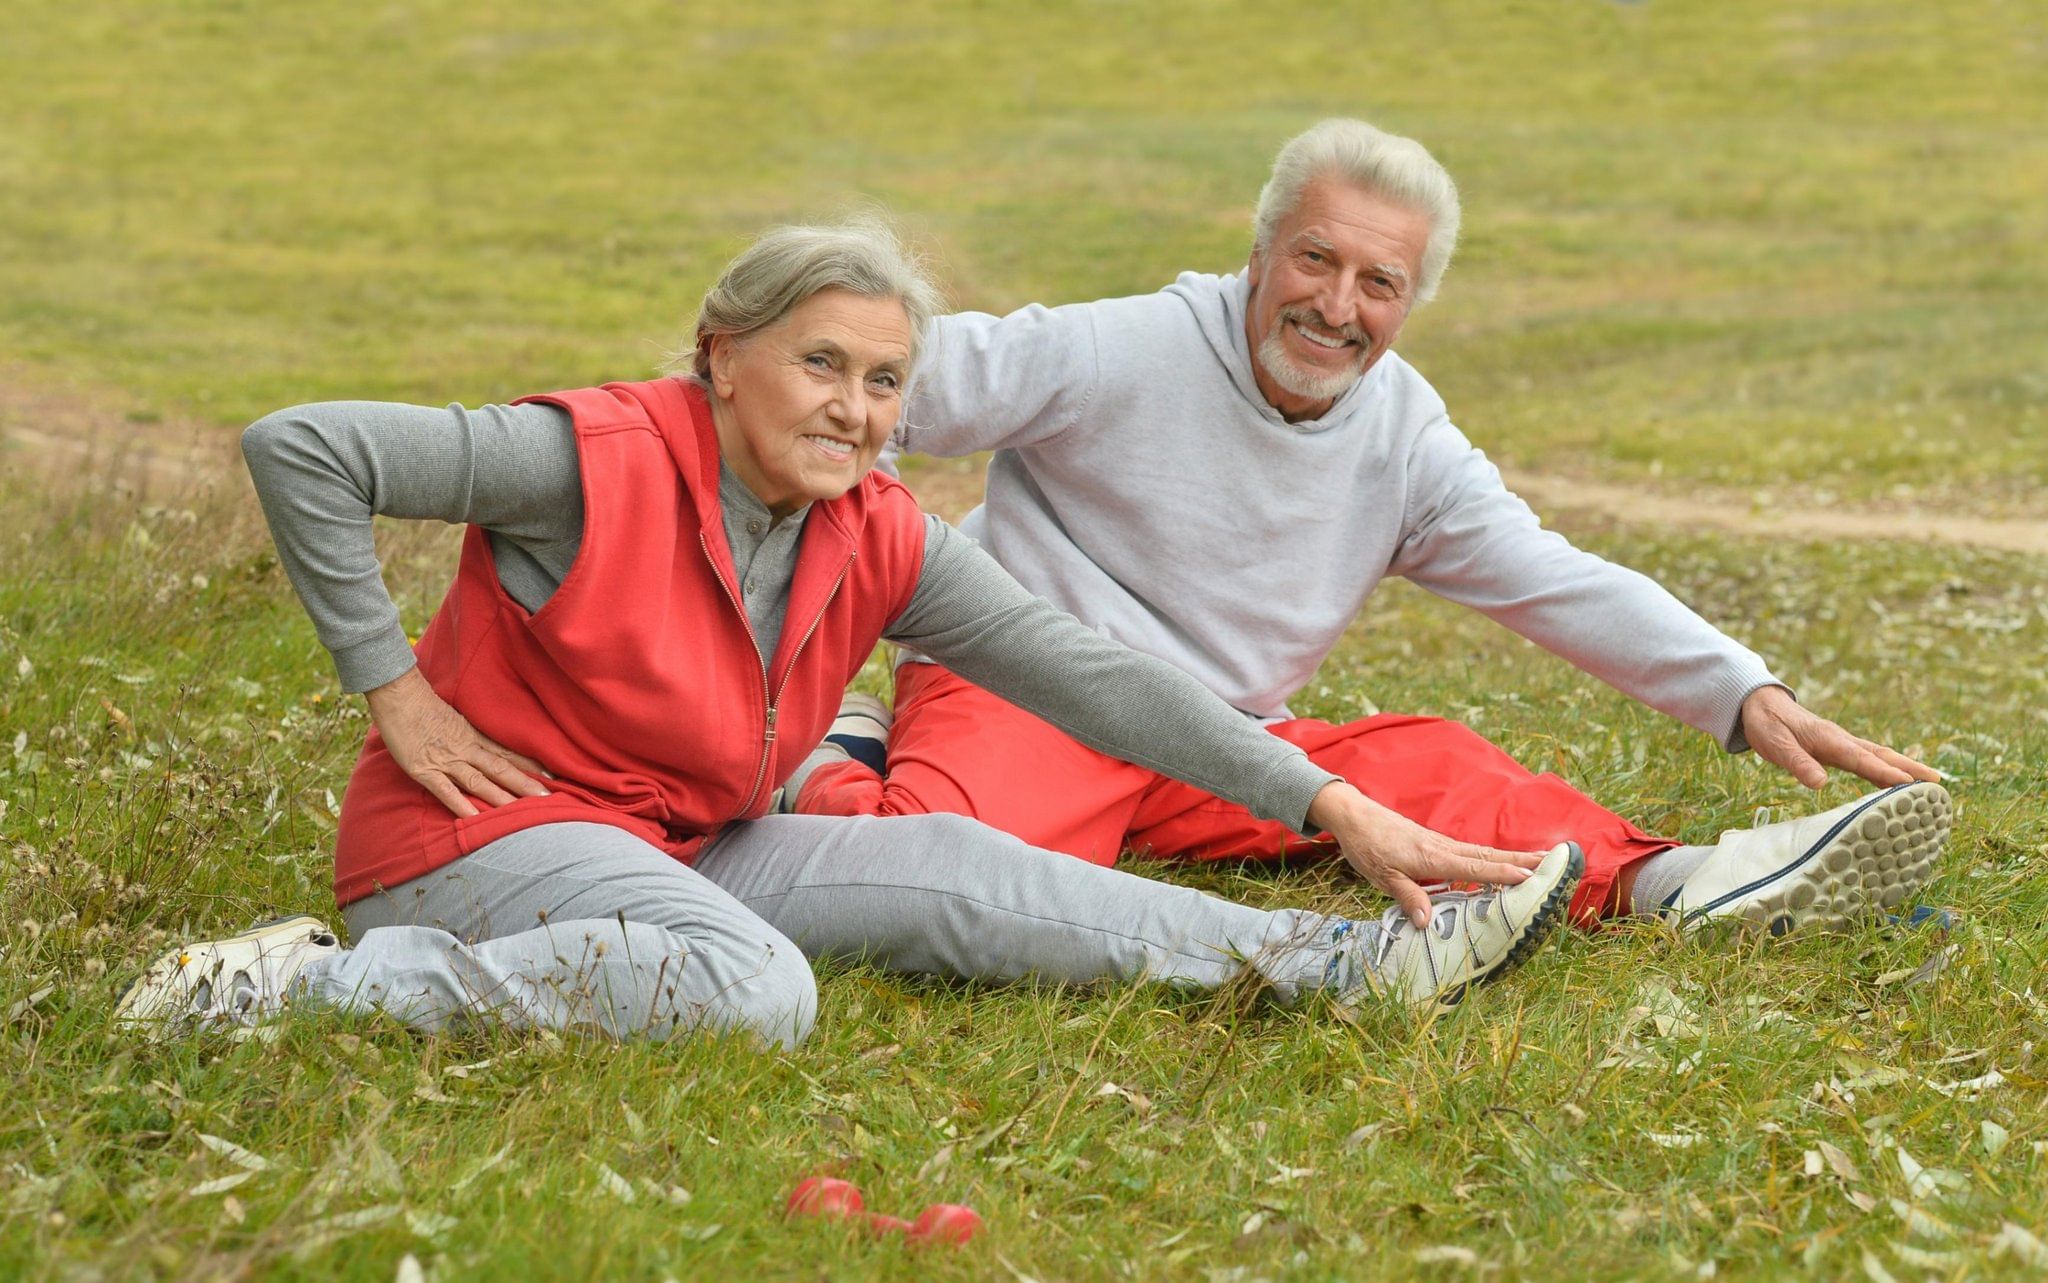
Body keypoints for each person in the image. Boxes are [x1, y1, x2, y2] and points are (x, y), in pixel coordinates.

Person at [117, 219, 1586, 1047]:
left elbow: (1092, 676)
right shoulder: (588, 457)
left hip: (683, 834)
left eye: (886, 381)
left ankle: (1345, 964)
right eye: (821, 363)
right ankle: (296, 985)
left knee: (954, 860)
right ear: (721, 355)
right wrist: (392, 688)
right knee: (758, 988)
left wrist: (1329, 801)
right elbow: (303, 447)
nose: (855, 407)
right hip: (468, 846)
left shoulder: (873, 526)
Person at [786, 120, 1952, 937]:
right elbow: (877, 393)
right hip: (1034, 698)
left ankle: (1686, 883)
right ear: (1258, 252)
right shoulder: (1120, 346)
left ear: (1410, 303)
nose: (1335, 306)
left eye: (1378, 283)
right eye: (1313, 258)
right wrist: (820, 587)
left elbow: (1548, 577)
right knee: (933, 868)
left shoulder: (1403, 439)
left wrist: (1743, 693)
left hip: (1226, 740)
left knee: (1430, 767)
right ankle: (835, 751)